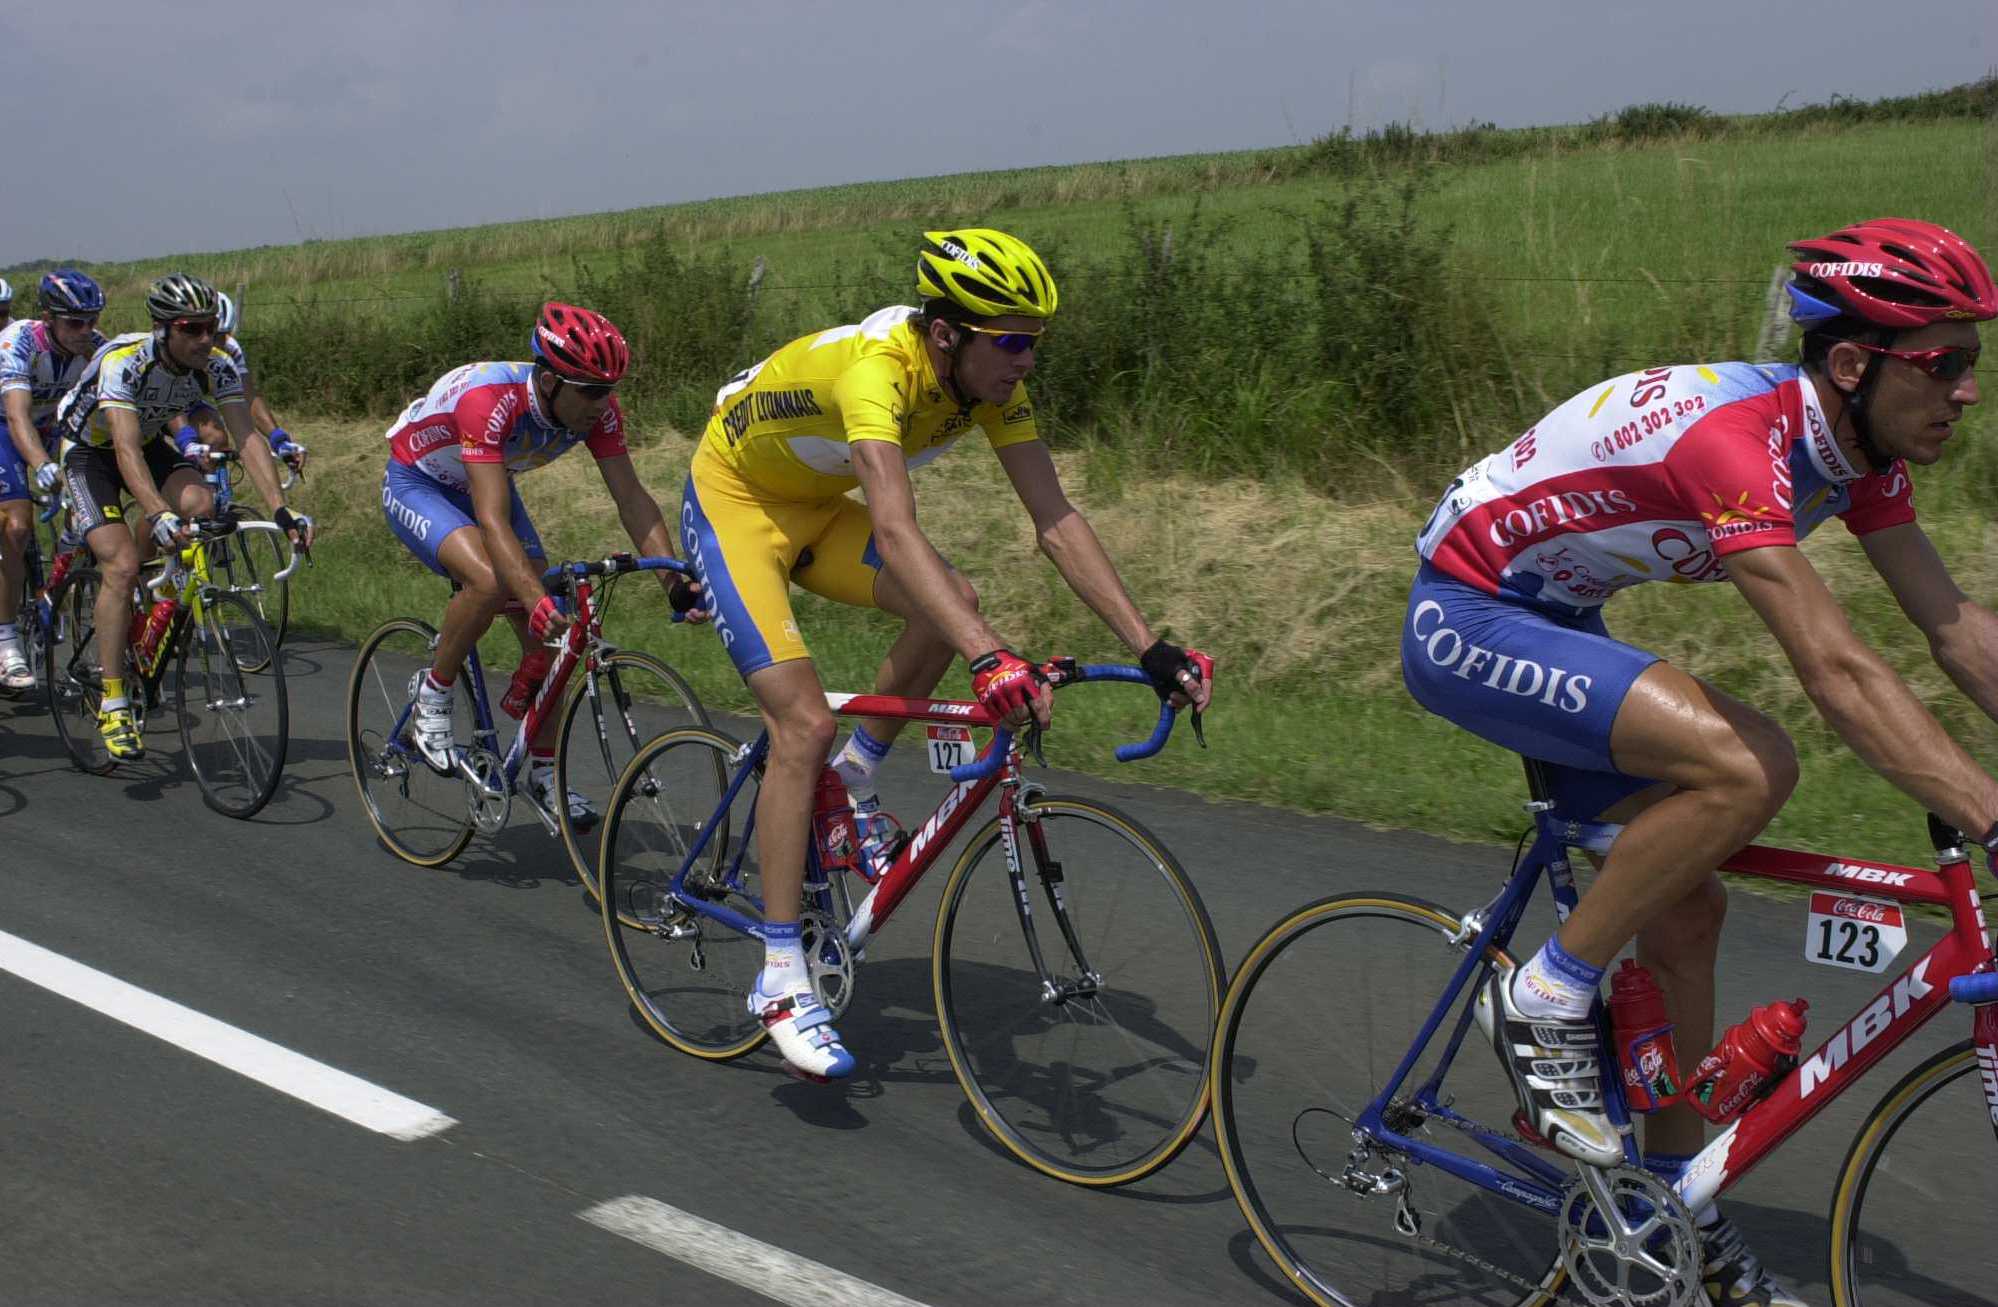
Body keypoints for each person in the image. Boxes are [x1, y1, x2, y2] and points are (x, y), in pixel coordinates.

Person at [1405, 217, 1998, 1307]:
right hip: (1470, 615)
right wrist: (1987, 810)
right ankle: (1546, 993)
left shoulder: (1852, 449)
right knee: (1749, 763)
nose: (1966, 390)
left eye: (1974, 362)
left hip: (1558, 614)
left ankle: (1670, 1205)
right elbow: (1837, 668)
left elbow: (1954, 625)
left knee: (1689, 914)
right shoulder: (1736, 439)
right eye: (1944, 364)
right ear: (1856, 364)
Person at [680, 228, 1216, 1081]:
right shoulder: (876, 371)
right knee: (801, 721)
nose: (1026, 362)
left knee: (952, 603)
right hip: (737, 505)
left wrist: (1149, 644)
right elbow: (894, 528)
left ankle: (852, 780)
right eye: (1010, 341)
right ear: (945, 335)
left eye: (1036, 342)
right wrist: (991, 660)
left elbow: (1055, 518)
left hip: (816, 508)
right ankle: (781, 978)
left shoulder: (989, 385)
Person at [380, 301, 701, 823]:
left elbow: (632, 498)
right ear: (550, 382)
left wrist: (672, 579)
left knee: (553, 638)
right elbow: (492, 521)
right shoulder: (491, 400)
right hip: (419, 482)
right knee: (488, 582)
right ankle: (433, 692)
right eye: (593, 391)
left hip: (485, 481)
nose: (604, 403)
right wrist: (530, 599)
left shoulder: (597, 411)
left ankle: (545, 774)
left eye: (611, 390)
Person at [52, 273, 311, 758]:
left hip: (148, 444)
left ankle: (161, 586)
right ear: (163, 328)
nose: (205, 339)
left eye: (210, 327)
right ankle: (114, 702)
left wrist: (282, 509)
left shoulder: (216, 364)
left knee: (202, 503)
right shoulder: (124, 363)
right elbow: (124, 450)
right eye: (192, 329)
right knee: (121, 564)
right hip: (90, 453)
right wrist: (156, 512)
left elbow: (247, 436)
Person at [0, 270, 107, 691]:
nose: (86, 331)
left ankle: (60, 581)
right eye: (74, 322)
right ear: (49, 318)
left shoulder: (98, 348)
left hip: (56, 428)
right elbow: (17, 415)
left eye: (92, 320)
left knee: (92, 519)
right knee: (17, 526)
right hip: (7, 428)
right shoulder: (18, 342)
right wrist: (42, 464)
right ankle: (6, 642)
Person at [214, 291, 308, 478]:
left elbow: (248, 398)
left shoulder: (230, 348)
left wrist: (278, 439)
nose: (216, 343)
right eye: (211, 335)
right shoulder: (179, 351)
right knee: (213, 435)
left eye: (222, 336)